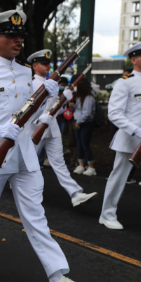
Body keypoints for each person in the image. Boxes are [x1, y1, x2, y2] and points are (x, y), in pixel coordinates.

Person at [0, 10, 94, 282]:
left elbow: (31, 115)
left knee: (36, 216)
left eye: (20, 36)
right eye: (11, 36)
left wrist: (51, 95)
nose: (18, 41)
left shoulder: (25, 72)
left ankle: (57, 277)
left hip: (24, 154)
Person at [99, 40, 141, 230]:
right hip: (130, 139)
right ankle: (107, 214)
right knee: (118, 178)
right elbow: (114, 113)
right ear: (134, 60)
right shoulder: (123, 83)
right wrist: (136, 131)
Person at [26, 49, 97, 206]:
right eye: (44, 63)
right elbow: (28, 110)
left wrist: (65, 98)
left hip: (52, 128)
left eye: (48, 64)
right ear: (35, 66)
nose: (47, 66)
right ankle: (8, 182)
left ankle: (75, 193)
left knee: (58, 163)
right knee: (27, 163)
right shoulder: (30, 84)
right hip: (36, 129)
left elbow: (54, 108)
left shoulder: (51, 83)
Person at [70, 79, 96, 176]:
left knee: (85, 145)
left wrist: (79, 122)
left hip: (86, 123)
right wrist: (72, 107)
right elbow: (78, 110)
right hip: (78, 122)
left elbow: (87, 113)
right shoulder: (80, 97)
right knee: (79, 145)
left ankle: (91, 167)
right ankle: (81, 165)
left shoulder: (89, 98)